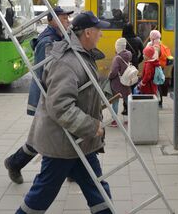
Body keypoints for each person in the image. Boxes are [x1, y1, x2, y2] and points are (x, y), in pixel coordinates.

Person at [16, 11, 112, 214]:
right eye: (98, 31)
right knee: (42, 195)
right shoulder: (67, 62)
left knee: (98, 190)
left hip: (78, 142)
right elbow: (61, 106)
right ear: (87, 32)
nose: (101, 35)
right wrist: (92, 126)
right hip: (62, 143)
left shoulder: (81, 56)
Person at [4, 6, 73, 184]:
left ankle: (74, 170)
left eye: (67, 18)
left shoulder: (59, 37)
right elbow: (46, 74)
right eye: (63, 18)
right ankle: (14, 163)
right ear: (51, 21)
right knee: (42, 138)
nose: (67, 21)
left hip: (54, 97)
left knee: (62, 134)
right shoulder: (47, 42)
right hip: (48, 98)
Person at [108, 38, 132, 126]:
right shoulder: (128, 55)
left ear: (117, 47)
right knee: (127, 101)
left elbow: (114, 71)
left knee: (115, 102)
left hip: (117, 84)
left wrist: (109, 76)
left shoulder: (117, 58)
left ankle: (115, 121)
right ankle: (129, 119)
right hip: (126, 82)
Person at [147, 30, 172, 107]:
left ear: (152, 37)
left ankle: (156, 100)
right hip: (161, 66)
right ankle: (160, 100)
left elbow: (148, 56)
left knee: (154, 84)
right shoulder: (161, 44)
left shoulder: (152, 45)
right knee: (159, 83)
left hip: (154, 66)